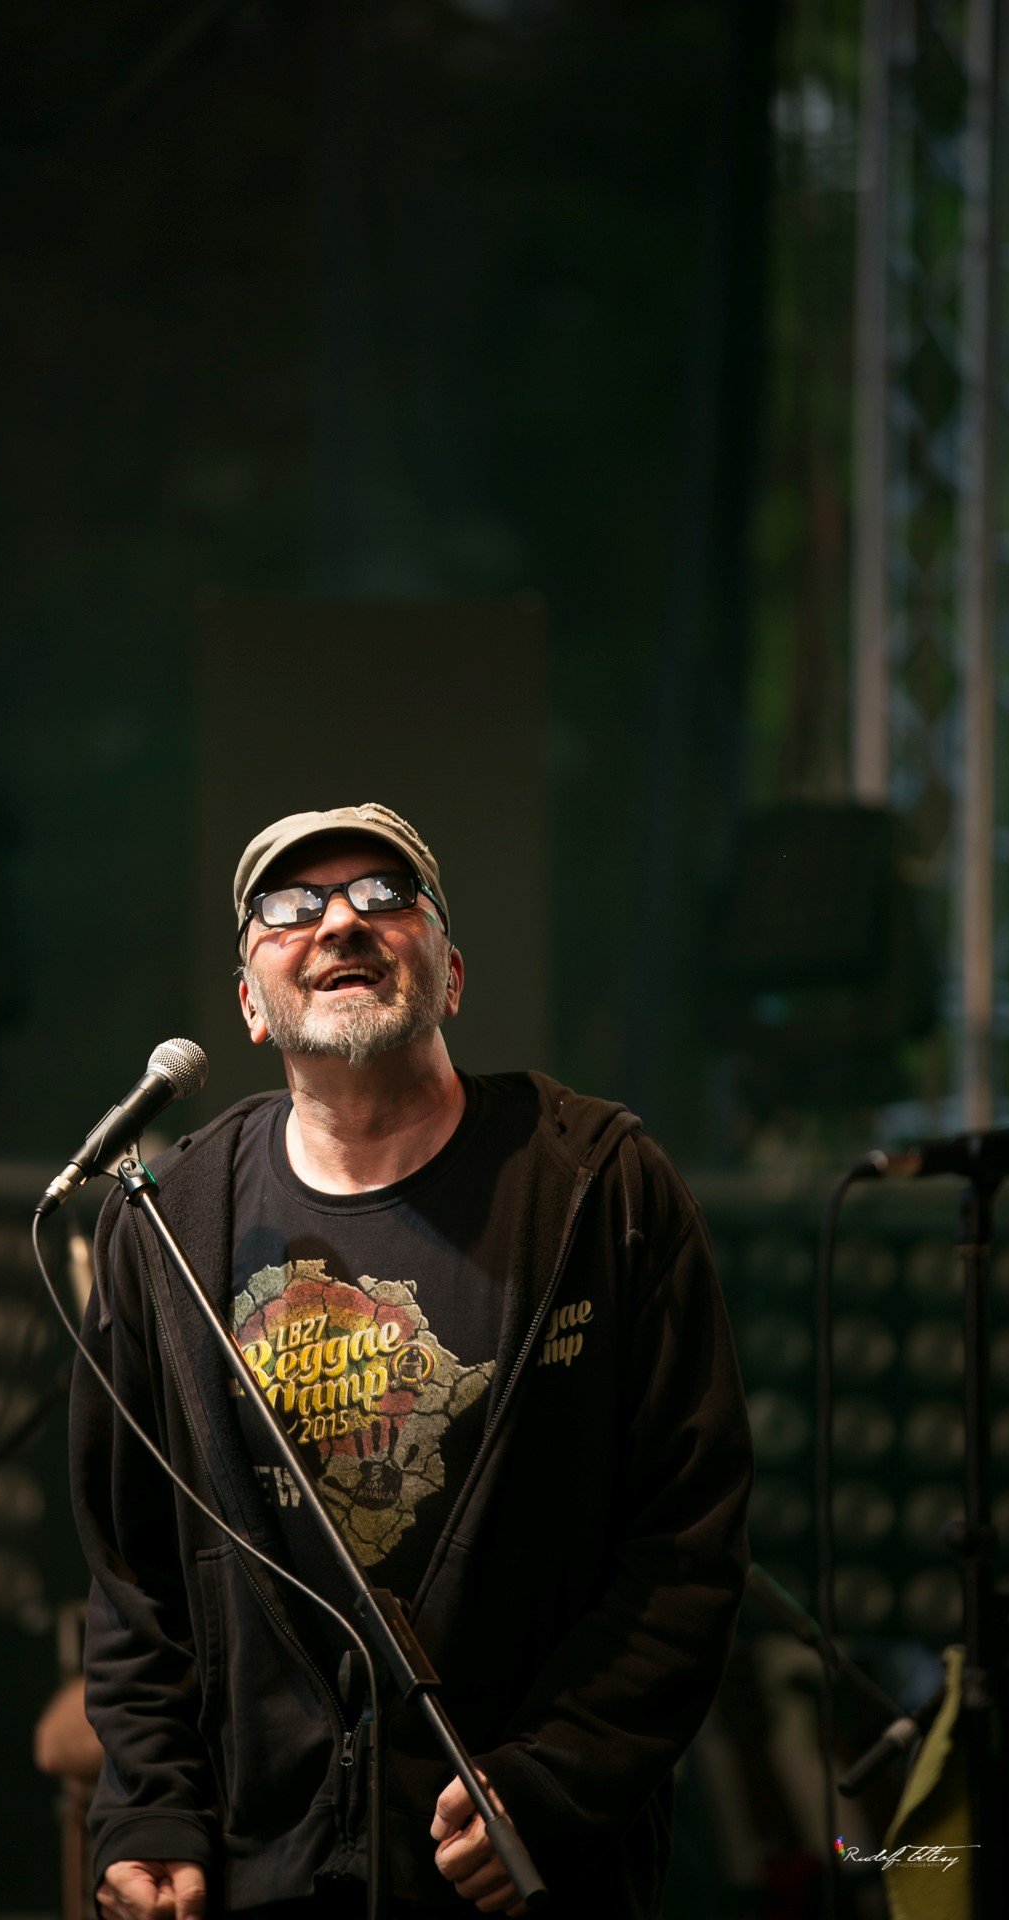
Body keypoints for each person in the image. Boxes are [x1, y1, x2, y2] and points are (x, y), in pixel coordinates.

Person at [70, 802, 752, 1920]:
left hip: (521, 1871)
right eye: (290, 908)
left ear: (451, 976)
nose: (341, 922)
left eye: (385, 895)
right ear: (249, 1006)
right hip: (259, 1870)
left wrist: (558, 1777)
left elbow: (685, 1543)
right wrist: (150, 1807)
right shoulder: (167, 1222)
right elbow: (133, 1574)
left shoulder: (598, 1188)